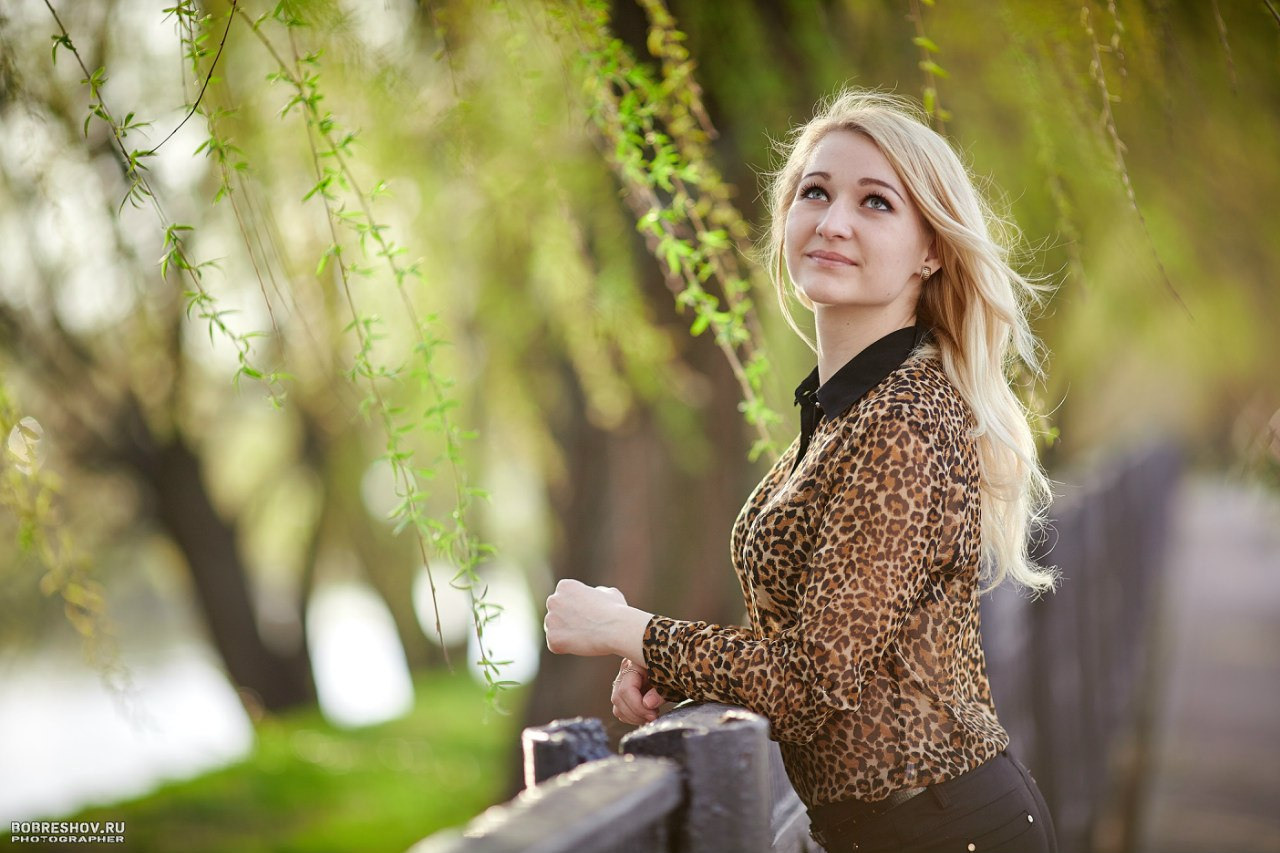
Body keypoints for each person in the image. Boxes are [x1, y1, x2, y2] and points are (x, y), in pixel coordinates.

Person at [543, 89, 1059, 853]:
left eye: (876, 202)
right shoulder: (845, 412)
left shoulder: (904, 421)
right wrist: (669, 665)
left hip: (944, 832)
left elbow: (810, 681)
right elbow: (832, 644)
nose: (833, 221)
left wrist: (626, 627)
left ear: (930, 250)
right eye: (814, 192)